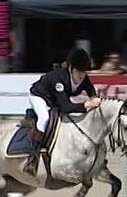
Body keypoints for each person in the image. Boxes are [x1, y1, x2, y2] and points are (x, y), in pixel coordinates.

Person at [24, 47, 102, 176]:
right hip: (39, 96)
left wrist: (95, 99)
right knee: (44, 118)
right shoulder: (59, 80)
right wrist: (87, 104)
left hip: (54, 98)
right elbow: (65, 107)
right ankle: (33, 157)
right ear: (71, 68)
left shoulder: (84, 78)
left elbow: (92, 93)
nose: (81, 76)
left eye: (84, 72)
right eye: (79, 71)